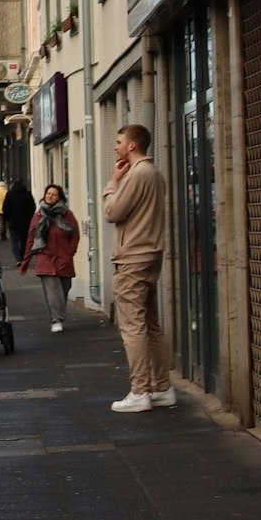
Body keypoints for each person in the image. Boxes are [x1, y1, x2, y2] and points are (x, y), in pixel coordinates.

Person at [103, 123, 171, 413]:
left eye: (119, 142)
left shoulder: (137, 174)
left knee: (133, 327)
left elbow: (112, 212)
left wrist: (112, 183)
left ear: (132, 145)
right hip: (150, 254)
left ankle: (140, 391)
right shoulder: (155, 174)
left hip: (132, 258)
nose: (115, 146)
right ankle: (162, 388)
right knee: (151, 326)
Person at [18, 184, 78, 333]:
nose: (50, 196)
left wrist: (71, 251)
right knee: (53, 292)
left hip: (63, 258)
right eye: (48, 193)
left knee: (64, 289)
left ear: (60, 198)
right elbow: (31, 238)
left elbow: (74, 233)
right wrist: (26, 260)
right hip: (45, 257)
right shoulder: (39, 215)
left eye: (54, 194)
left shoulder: (67, 214)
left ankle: (58, 316)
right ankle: (56, 319)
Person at [2, 180, 37, 260]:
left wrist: (7, 218)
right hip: (25, 221)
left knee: (14, 240)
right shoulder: (27, 194)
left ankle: (17, 258)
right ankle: (22, 254)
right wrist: (30, 217)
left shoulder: (10, 194)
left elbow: (5, 208)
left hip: (13, 221)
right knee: (24, 239)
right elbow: (32, 207)